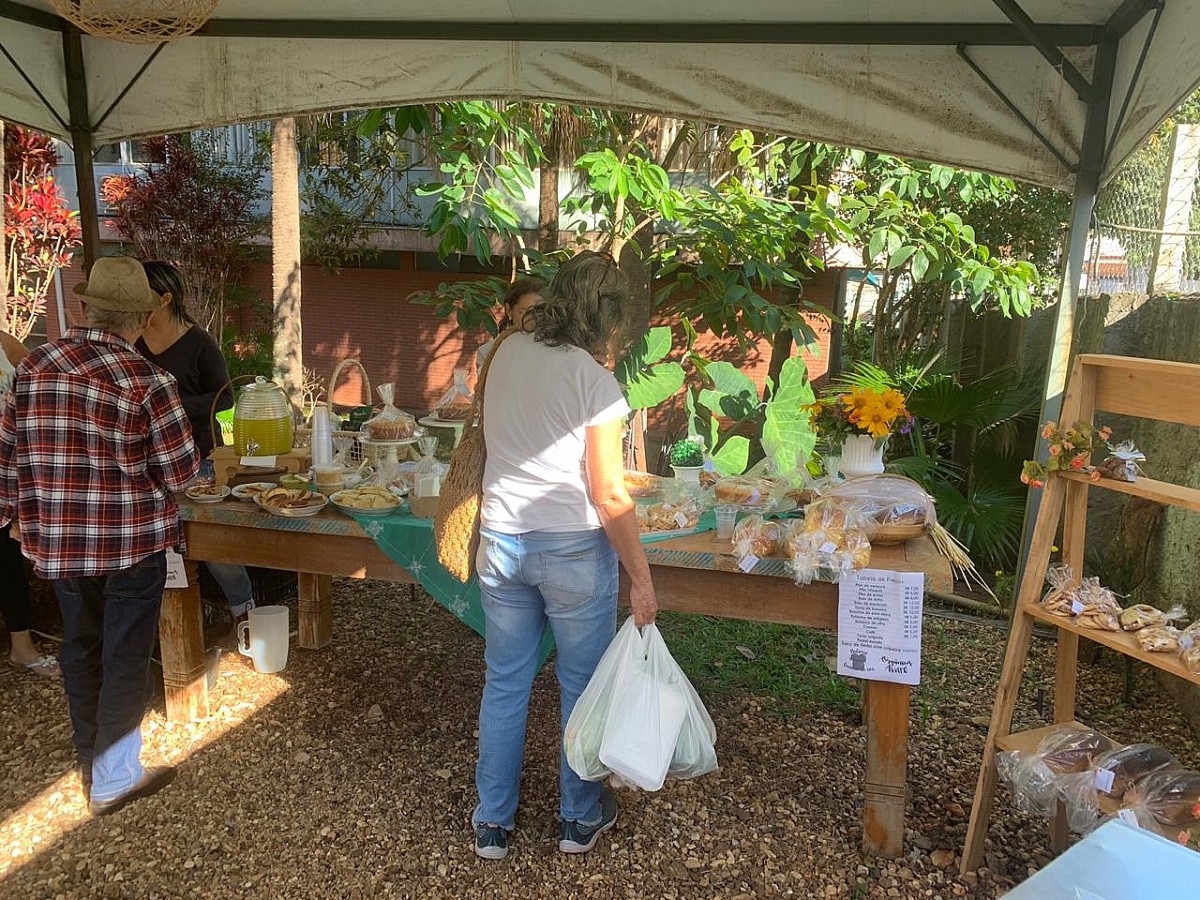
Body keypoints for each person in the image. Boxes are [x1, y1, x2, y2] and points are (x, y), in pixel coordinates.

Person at [471, 251, 657, 861]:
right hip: (572, 549)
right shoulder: (594, 381)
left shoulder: (503, 355)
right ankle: (578, 820)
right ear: (605, 317)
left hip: (500, 540)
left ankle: (492, 823)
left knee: (505, 682)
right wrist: (641, 577)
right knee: (580, 685)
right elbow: (608, 492)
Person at [0, 256, 199, 815]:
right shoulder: (149, 380)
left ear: (86, 308)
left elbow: (6, 455)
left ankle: (91, 756)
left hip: (58, 542)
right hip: (130, 543)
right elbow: (179, 473)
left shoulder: (34, 367)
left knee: (80, 646)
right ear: (139, 318)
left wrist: (11, 517)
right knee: (125, 654)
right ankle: (113, 776)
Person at [136, 260, 255, 624]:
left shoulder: (200, 343)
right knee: (160, 543)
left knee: (213, 543)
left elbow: (226, 398)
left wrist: (169, 407)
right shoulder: (132, 339)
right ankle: (180, 618)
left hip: (199, 456)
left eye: (143, 293)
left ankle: (243, 611)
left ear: (165, 298)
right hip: (144, 461)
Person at [0, 329, 59, 676]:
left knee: (8, 557)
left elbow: (40, 377)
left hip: (11, 466)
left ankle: (21, 647)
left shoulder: (5, 343)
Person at [475, 276, 544, 373]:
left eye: (538, 311)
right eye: (523, 311)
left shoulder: (552, 347)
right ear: (509, 310)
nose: (531, 317)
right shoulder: (489, 352)